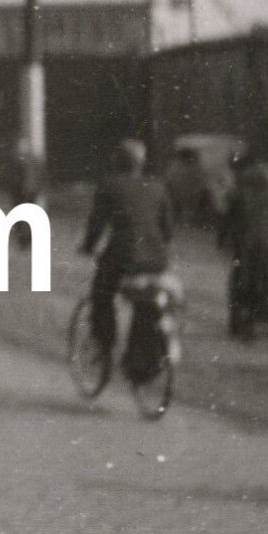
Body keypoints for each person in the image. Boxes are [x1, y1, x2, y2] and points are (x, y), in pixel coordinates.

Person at [79, 140, 175, 383]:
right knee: (146, 304)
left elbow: (97, 225)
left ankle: (104, 342)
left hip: (123, 257)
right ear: (141, 164)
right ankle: (141, 361)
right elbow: (167, 229)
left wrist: (88, 246)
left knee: (101, 294)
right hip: (156, 260)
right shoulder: (157, 186)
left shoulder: (109, 186)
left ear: (117, 162)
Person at [220, 155, 268, 338]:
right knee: (266, 280)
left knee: (241, 281)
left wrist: (224, 239)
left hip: (245, 242)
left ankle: (240, 321)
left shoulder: (239, 194)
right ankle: (266, 316)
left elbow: (228, 218)